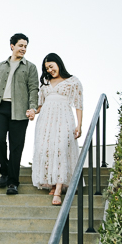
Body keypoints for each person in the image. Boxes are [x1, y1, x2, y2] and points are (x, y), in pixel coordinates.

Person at [0, 34, 40, 195]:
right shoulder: (0, 66)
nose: (23, 49)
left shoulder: (30, 67)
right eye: (20, 45)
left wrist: (32, 108)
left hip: (20, 110)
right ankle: (5, 170)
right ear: (12, 46)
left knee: (16, 147)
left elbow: (33, 89)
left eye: (25, 46)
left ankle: (12, 182)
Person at [30, 53, 83, 205]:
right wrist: (33, 111)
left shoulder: (73, 81)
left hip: (64, 118)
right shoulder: (45, 83)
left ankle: (58, 190)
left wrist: (79, 125)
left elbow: (79, 105)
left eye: (51, 66)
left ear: (59, 63)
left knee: (61, 149)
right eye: (47, 68)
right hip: (46, 120)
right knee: (46, 149)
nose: (50, 70)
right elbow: (40, 106)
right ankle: (52, 183)